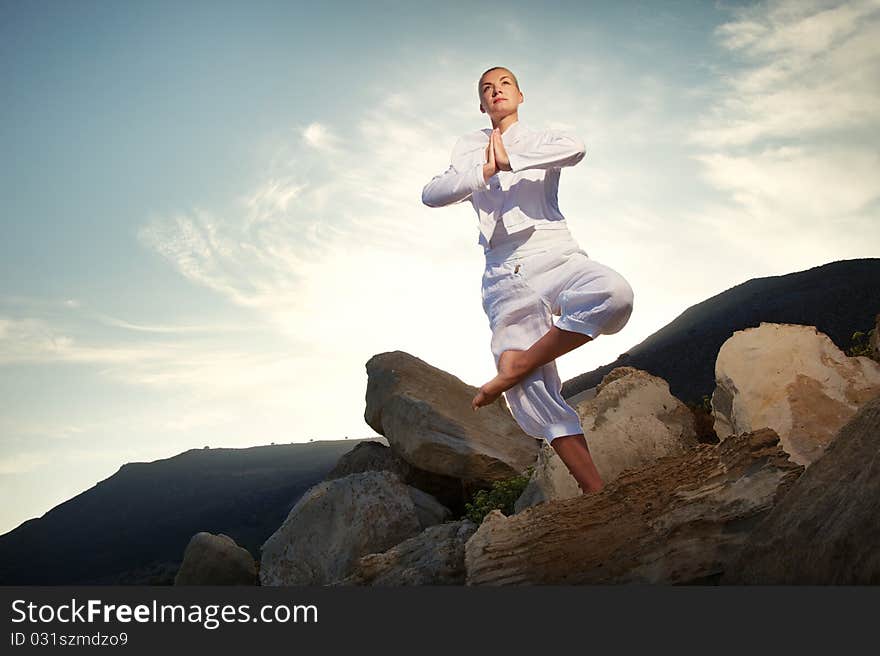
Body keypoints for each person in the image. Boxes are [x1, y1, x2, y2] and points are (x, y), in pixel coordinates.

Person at [421, 66, 634, 494]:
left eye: (504, 85)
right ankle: (597, 492)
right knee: (532, 389)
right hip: (502, 270)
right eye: (486, 88)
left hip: (552, 251)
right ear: (481, 104)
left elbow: (577, 149)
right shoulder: (467, 146)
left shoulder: (542, 139)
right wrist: (484, 170)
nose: (496, 91)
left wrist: (511, 159)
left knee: (614, 294)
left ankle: (520, 361)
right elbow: (431, 193)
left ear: (520, 95)